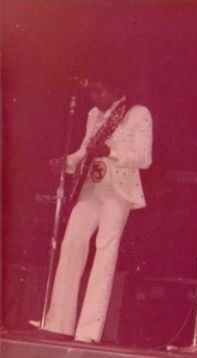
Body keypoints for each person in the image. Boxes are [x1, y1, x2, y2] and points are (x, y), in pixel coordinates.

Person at [33, 70, 153, 343]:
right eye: (93, 92)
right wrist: (67, 162)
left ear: (116, 89)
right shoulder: (93, 115)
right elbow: (83, 151)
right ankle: (59, 323)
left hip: (118, 189)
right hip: (91, 186)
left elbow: (144, 158)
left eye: (101, 91)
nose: (95, 97)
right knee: (72, 243)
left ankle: (89, 331)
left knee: (104, 251)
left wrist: (111, 152)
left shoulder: (137, 113)